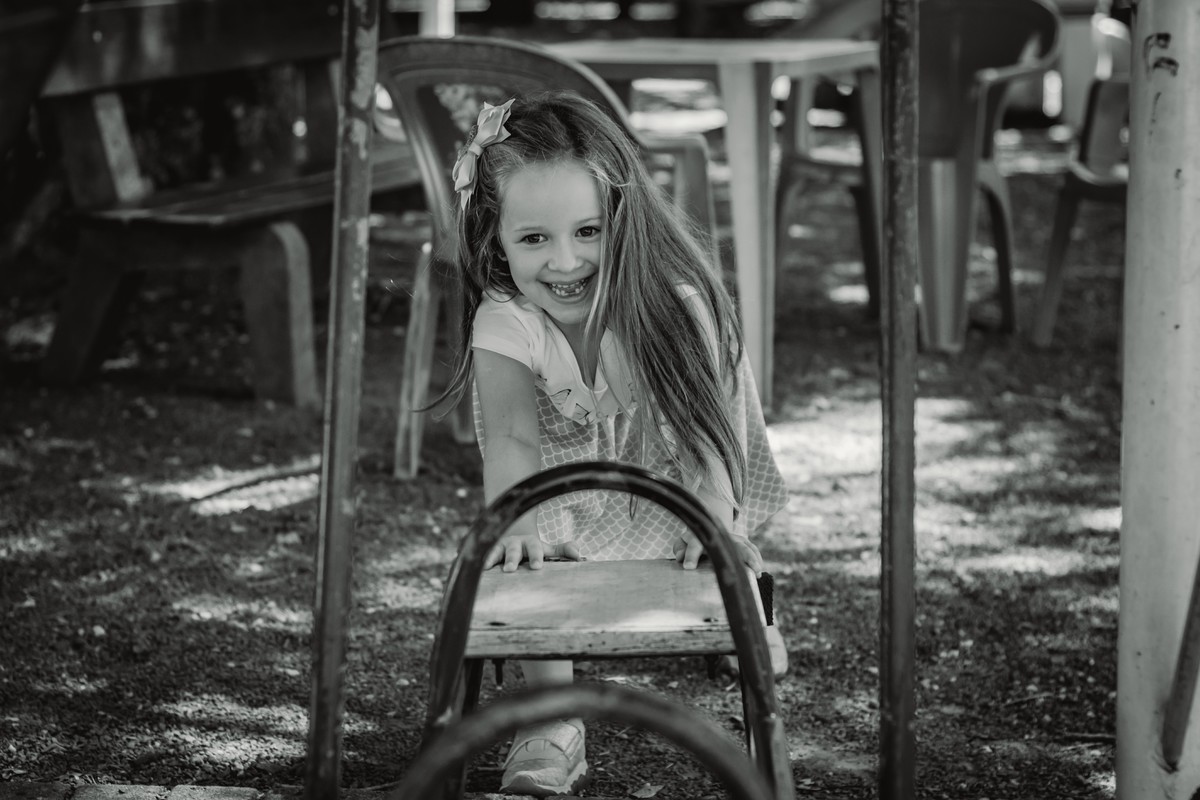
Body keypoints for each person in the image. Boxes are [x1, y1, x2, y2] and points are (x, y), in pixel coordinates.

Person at [441, 90, 789, 798]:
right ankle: (551, 715)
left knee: (711, 536)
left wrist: (715, 515)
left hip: (678, 444)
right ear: (496, 240)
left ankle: (742, 610)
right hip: (566, 457)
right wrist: (517, 521)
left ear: (622, 218)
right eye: (534, 239)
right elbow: (510, 435)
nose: (565, 261)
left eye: (588, 231)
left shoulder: (673, 304)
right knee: (526, 525)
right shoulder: (506, 319)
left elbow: (706, 427)